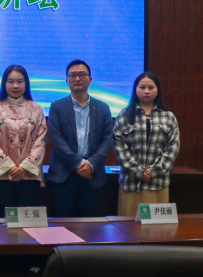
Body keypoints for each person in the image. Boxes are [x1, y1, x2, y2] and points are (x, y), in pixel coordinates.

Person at [47, 60, 113, 217]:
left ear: (90, 79)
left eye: (82, 75)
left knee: (90, 225)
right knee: (63, 223)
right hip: (64, 176)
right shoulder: (57, 107)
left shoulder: (103, 108)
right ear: (67, 81)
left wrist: (90, 164)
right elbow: (56, 139)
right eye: (73, 75)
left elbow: (107, 139)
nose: (77, 79)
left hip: (92, 175)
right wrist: (78, 163)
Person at [114, 72, 180, 216]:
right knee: (129, 226)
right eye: (142, 87)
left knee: (156, 227)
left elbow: (172, 148)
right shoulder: (124, 115)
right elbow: (120, 148)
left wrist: (154, 170)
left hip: (158, 183)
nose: (146, 91)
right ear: (135, 90)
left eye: (151, 87)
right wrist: (138, 171)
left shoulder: (168, 116)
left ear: (157, 90)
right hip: (131, 183)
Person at [0, 65, 47, 214]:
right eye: (11, 81)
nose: (15, 86)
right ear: (4, 83)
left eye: (20, 81)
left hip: (29, 175)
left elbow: (41, 140)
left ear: (26, 83)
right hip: (1, 176)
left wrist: (25, 166)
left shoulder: (37, 109)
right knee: (5, 220)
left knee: (27, 221)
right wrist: (8, 166)